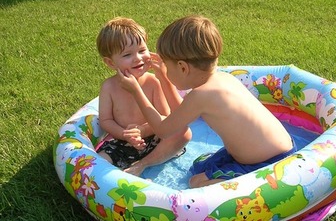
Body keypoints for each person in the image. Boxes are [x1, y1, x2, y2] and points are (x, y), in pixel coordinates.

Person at [117, 15, 297, 187]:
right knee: (198, 166)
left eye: (168, 67)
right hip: (278, 149)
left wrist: (136, 91)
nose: (166, 71)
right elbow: (181, 114)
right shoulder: (222, 79)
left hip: (270, 163)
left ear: (182, 67)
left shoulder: (201, 95)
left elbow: (164, 130)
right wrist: (164, 77)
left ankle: (263, 184)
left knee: (196, 183)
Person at [96, 17, 191, 176]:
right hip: (122, 142)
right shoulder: (109, 87)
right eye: (127, 55)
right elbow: (106, 120)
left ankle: (143, 164)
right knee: (99, 162)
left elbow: (166, 118)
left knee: (183, 133)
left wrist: (143, 130)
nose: (138, 58)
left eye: (142, 50)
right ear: (111, 63)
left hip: (155, 139)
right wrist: (124, 134)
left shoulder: (153, 82)